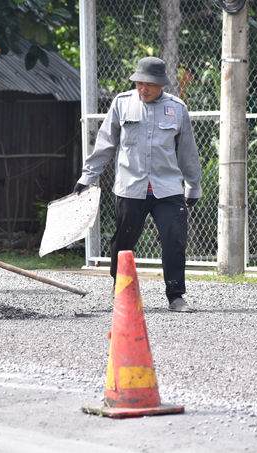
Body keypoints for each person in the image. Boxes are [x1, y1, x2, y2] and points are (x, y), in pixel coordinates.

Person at [73, 57, 202, 313]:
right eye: (140, 83)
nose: (143, 89)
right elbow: (105, 143)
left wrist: (193, 186)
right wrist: (88, 176)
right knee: (123, 241)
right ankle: (120, 288)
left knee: (174, 241)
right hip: (131, 187)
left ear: (161, 85)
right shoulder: (122, 104)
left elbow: (187, 152)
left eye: (149, 85)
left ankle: (176, 296)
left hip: (168, 189)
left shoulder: (177, 108)